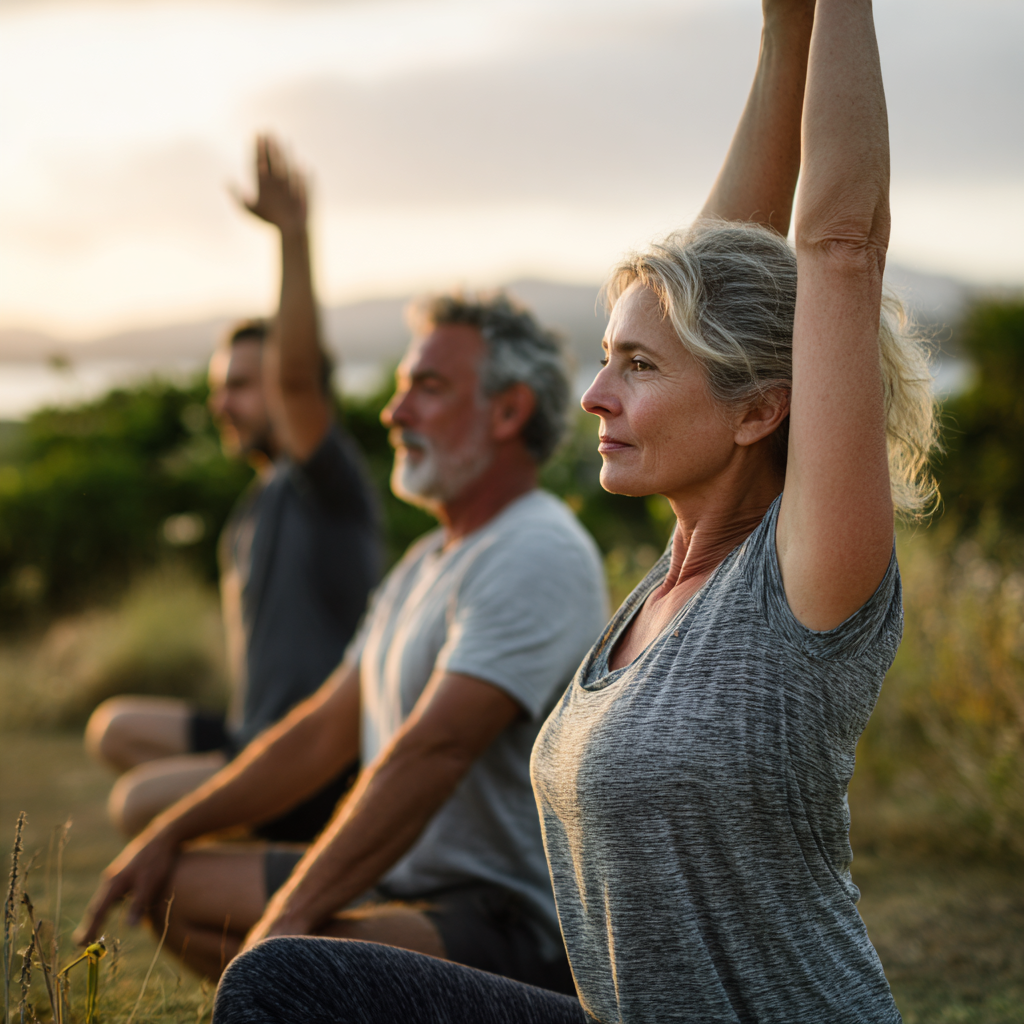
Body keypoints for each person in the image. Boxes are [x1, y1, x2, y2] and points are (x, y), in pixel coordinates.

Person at [210, 1, 940, 1022]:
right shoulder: (667, 578)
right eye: (606, 357)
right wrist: (783, 29)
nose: (594, 395)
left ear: (760, 409)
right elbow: (722, 258)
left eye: (635, 367)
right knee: (288, 980)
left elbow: (837, 247)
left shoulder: (803, 582)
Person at [76, 288, 609, 993]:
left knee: (288, 961)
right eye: (398, 389)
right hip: (400, 880)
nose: (394, 412)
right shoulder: (426, 561)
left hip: (507, 919)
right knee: (172, 888)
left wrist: (289, 918)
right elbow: (319, 732)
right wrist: (170, 831)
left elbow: (434, 752)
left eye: (427, 386)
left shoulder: (537, 548)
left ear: (509, 411)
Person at [83, 137, 381, 842]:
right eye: (220, 389)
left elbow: (298, 378)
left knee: (138, 803)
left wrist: (295, 237)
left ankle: (270, 911)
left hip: (318, 762)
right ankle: (253, 857)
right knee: (115, 728)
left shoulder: (330, 488)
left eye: (244, 387)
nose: (225, 404)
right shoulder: (252, 509)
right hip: (253, 736)